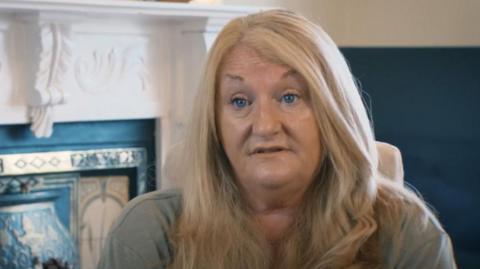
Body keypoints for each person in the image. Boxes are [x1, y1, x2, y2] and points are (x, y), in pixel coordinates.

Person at [97, 9, 457, 269]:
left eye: (290, 97)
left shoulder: (406, 231)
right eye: (240, 101)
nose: (265, 125)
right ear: (215, 126)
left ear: (332, 114)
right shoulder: (149, 231)